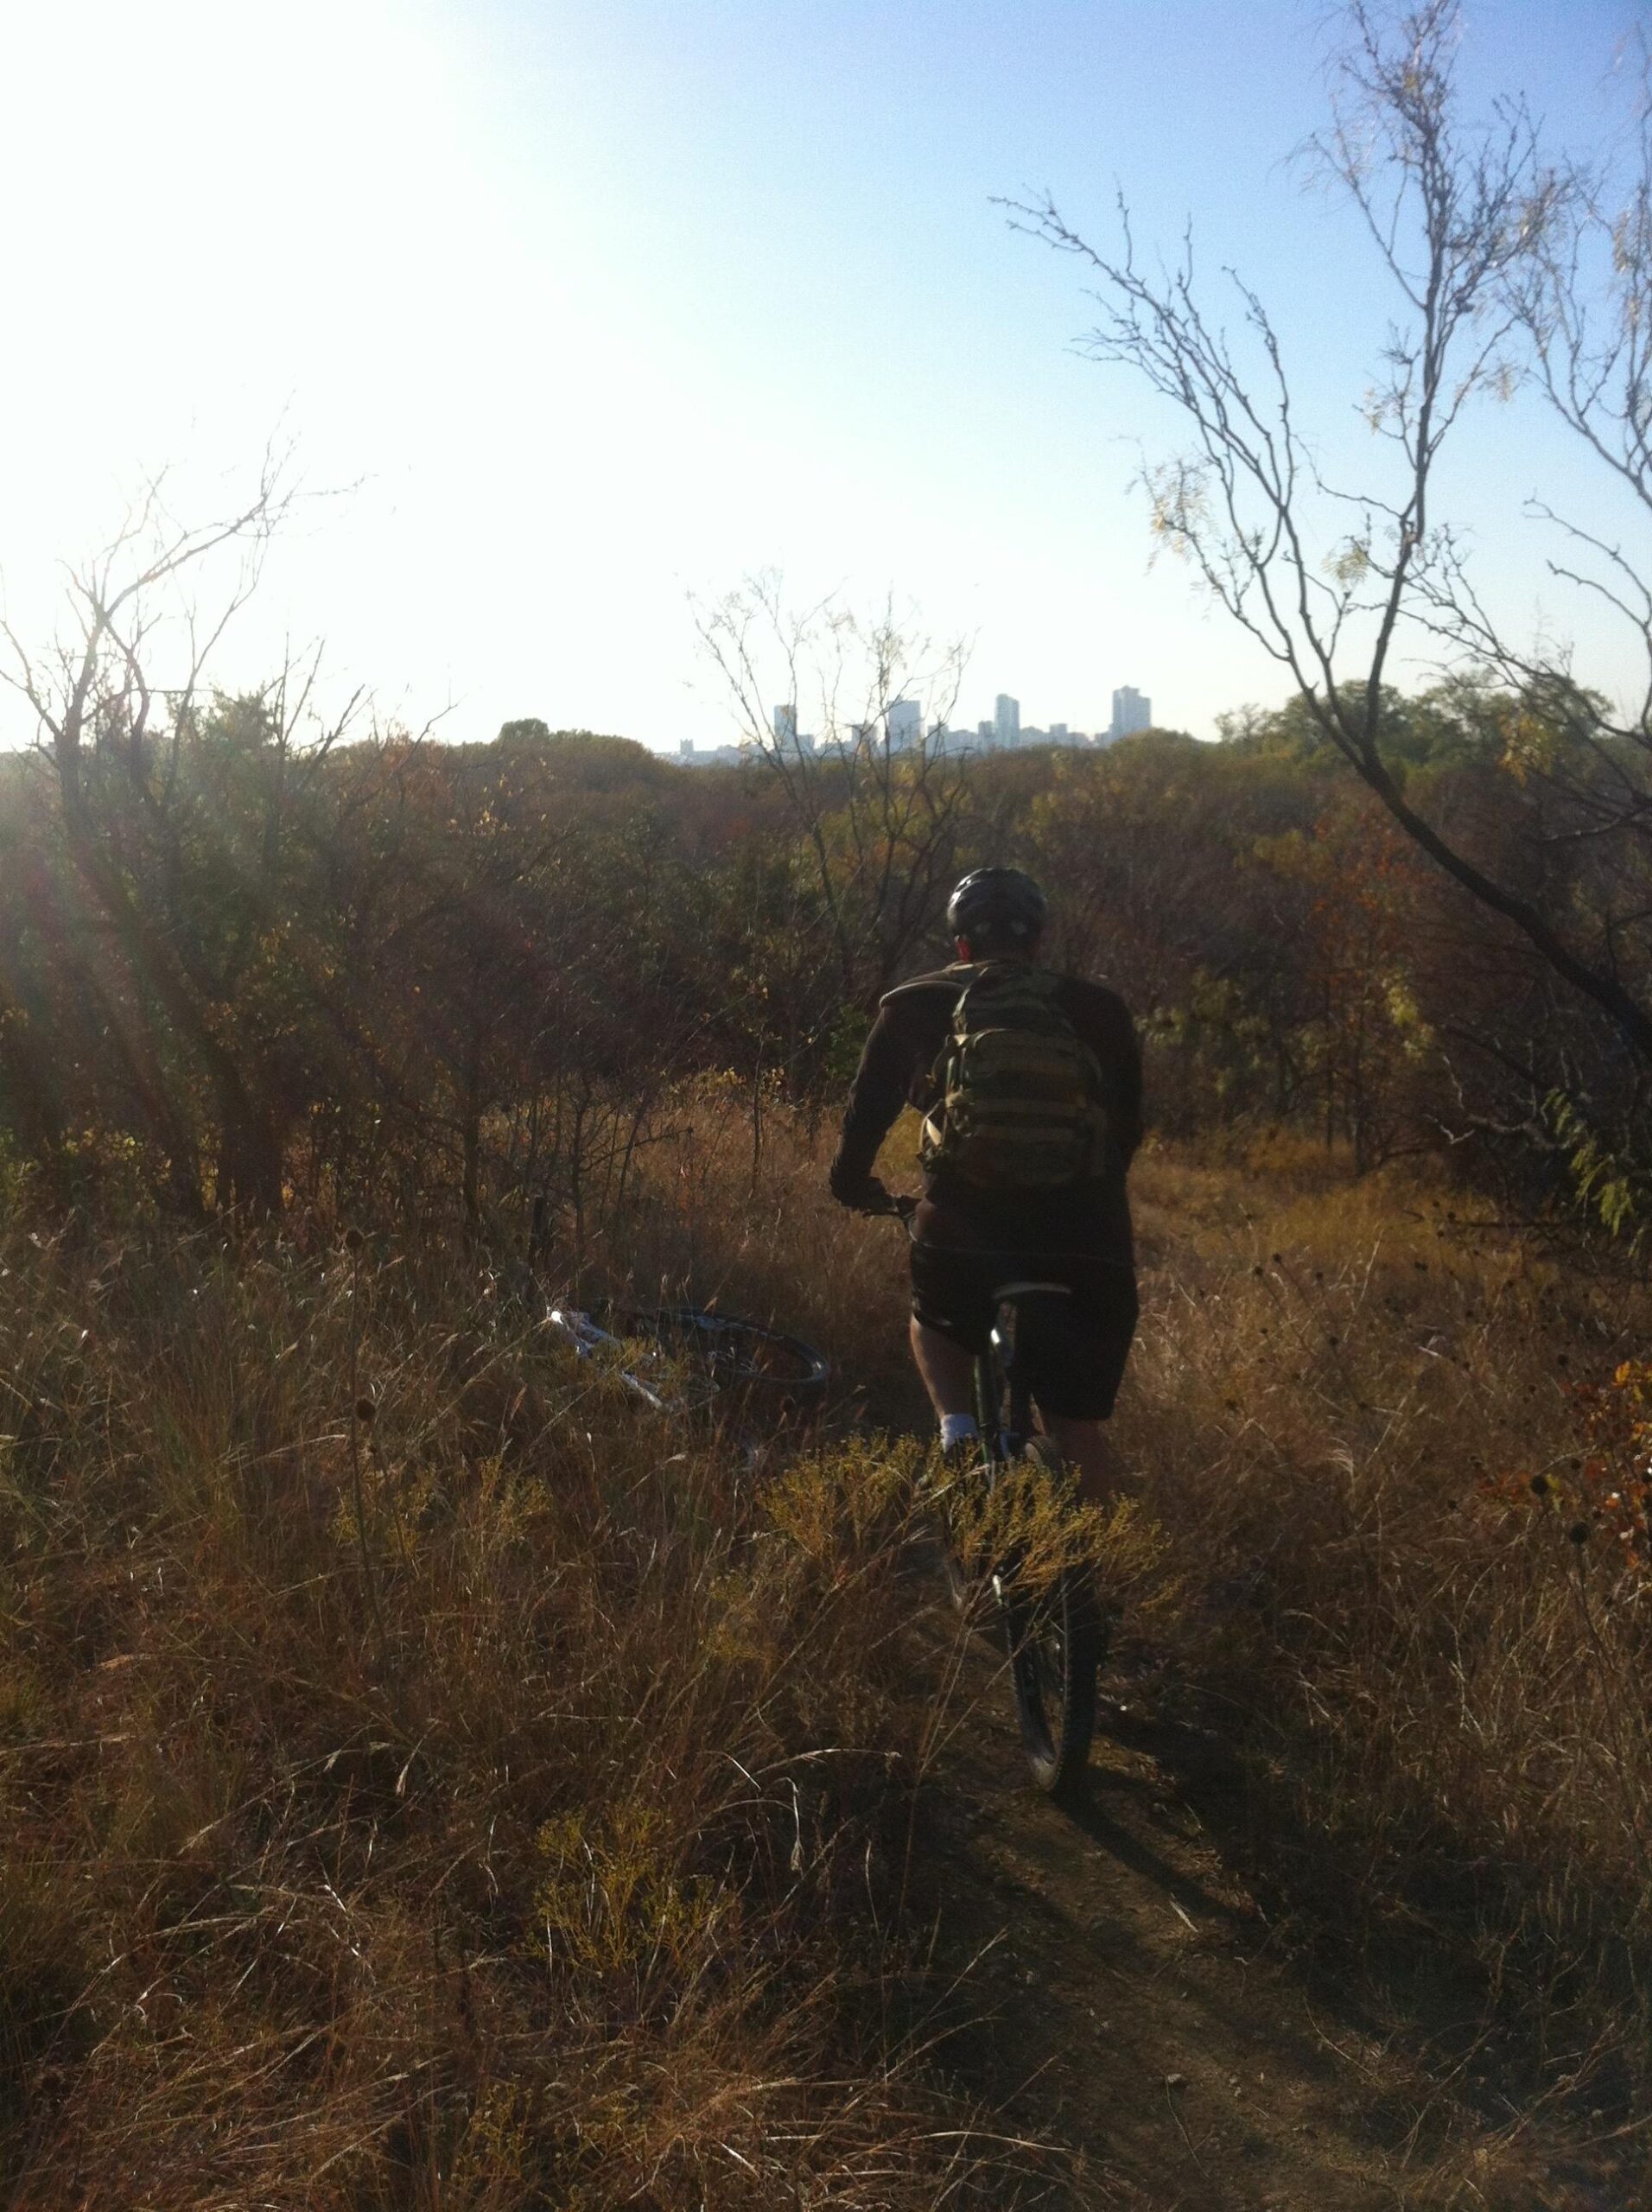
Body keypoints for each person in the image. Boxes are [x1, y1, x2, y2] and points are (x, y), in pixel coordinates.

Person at [828, 866, 1142, 1504]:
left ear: (961, 947)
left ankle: (958, 1433)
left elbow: (865, 1117)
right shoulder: (1101, 1010)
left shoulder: (910, 1005)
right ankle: (1091, 1590)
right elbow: (1127, 1132)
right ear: (1039, 942)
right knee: (1076, 1424)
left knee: (935, 1318)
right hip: (1087, 1237)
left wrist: (852, 1183)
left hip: (964, 1232)